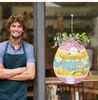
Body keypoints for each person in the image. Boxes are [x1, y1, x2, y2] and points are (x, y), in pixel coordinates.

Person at [0, 15, 36, 100]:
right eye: (13, 26)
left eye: (19, 26)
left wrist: (6, 74)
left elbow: (31, 75)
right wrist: (21, 69)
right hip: (2, 96)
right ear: (9, 28)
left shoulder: (29, 48)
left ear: (23, 30)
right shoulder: (1, 47)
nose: (16, 29)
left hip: (21, 96)